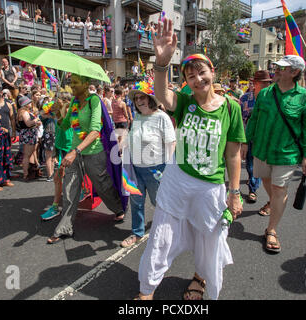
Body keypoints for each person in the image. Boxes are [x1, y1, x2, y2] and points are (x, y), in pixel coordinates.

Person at [135, 19, 245, 301]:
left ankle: (201, 277)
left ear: (212, 72)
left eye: (202, 72)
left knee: (210, 238)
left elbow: (233, 154)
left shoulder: (231, 108)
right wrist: (161, 63)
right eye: (191, 76)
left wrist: (235, 193)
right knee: (161, 234)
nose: (197, 79)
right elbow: (161, 96)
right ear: (186, 81)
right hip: (177, 180)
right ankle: (147, 290)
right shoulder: (185, 100)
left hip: (210, 186)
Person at [242, 55, 306, 254]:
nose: (277, 70)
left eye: (283, 68)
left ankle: (272, 230)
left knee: (278, 187)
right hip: (262, 150)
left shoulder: (305, 97)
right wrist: (244, 142)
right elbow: (254, 119)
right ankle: (275, 200)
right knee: (266, 180)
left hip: (287, 153)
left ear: (294, 72)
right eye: (277, 66)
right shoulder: (265, 93)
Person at [46, 74, 126, 244]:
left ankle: (117, 208)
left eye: (75, 83)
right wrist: (57, 114)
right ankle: (64, 227)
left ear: (86, 84)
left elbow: (95, 130)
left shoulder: (94, 101)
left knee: (102, 185)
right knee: (69, 189)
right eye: (71, 82)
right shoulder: (74, 103)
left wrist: (76, 150)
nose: (72, 86)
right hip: (74, 153)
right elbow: (65, 125)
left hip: (93, 152)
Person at [120, 81, 176, 248]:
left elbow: (171, 143)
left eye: (142, 97)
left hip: (156, 169)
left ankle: (167, 231)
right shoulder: (137, 117)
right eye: (136, 98)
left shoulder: (162, 117)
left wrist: (169, 170)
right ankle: (137, 232)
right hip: (134, 168)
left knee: (159, 203)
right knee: (136, 202)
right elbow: (131, 136)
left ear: (151, 99)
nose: (138, 101)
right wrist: (123, 142)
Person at [240, 70, 273, 206]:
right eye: (261, 83)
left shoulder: (272, 99)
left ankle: (260, 189)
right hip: (250, 137)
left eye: (267, 83)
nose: (264, 86)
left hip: (266, 139)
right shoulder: (245, 98)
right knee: (250, 165)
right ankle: (253, 190)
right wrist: (243, 141)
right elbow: (241, 120)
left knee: (262, 170)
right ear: (254, 83)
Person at [41, 93, 73, 220]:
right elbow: (41, 115)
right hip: (60, 148)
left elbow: (65, 126)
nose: (63, 104)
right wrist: (50, 109)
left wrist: (59, 112)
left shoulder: (72, 113)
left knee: (59, 177)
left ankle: (56, 207)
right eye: (61, 101)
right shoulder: (57, 112)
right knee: (59, 177)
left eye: (66, 101)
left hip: (70, 149)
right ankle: (56, 206)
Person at [17, 95, 41, 180]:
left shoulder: (25, 111)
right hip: (28, 133)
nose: (31, 103)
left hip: (29, 133)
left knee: (30, 153)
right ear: (25, 104)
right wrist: (35, 120)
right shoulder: (24, 112)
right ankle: (26, 174)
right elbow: (28, 123)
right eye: (29, 102)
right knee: (27, 155)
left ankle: (31, 171)